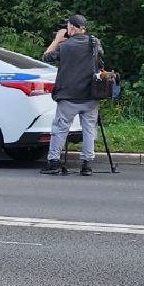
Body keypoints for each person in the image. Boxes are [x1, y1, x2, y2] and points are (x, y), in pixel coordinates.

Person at [42, 13, 103, 176]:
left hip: (68, 95)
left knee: (60, 129)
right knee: (89, 129)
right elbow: (100, 60)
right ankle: (87, 165)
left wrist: (57, 40)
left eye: (68, 26)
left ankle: (53, 162)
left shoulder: (65, 46)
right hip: (90, 94)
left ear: (72, 28)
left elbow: (46, 57)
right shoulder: (94, 42)